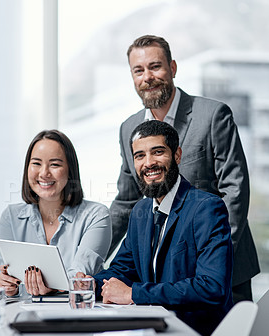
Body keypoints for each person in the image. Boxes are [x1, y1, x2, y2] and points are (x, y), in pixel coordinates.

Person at [109, 34, 259, 304]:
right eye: (138, 71)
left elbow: (234, 192)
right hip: (165, 273)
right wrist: (87, 260)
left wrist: (213, 256)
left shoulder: (212, 115)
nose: (148, 77)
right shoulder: (129, 129)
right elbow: (126, 201)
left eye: (155, 66)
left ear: (173, 68)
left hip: (222, 268)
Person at [78, 120, 233, 336]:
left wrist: (133, 294)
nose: (148, 163)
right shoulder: (141, 210)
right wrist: (87, 284)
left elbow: (211, 287)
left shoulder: (206, 208)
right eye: (140, 156)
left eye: (158, 152)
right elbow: (124, 269)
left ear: (177, 155)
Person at [0, 129, 112, 297]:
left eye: (55, 164)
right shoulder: (11, 217)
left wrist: (50, 285)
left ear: (70, 170)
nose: (44, 173)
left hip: (78, 312)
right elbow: (6, 276)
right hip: (27, 314)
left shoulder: (97, 215)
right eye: (36, 163)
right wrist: (8, 286)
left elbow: (79, 277)